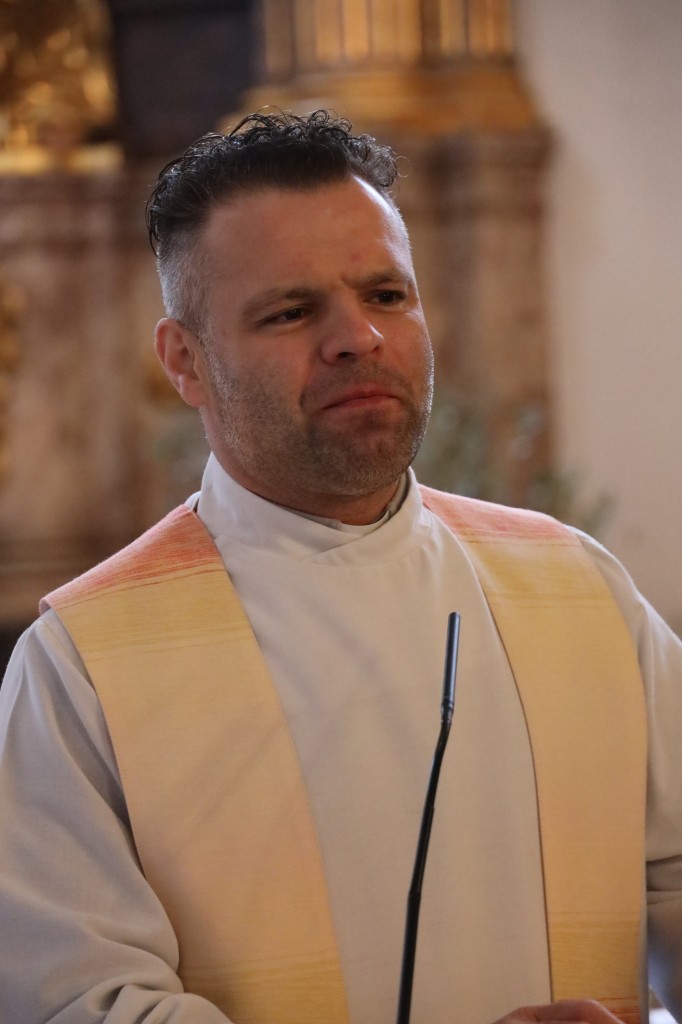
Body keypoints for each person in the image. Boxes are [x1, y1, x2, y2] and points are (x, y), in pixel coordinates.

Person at [0, 109, 681, 1024]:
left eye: (387, 295)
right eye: (290, 311)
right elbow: (80, 1003)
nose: (358, 337)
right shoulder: (84, 665)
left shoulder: (576, 590)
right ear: (185, 362)